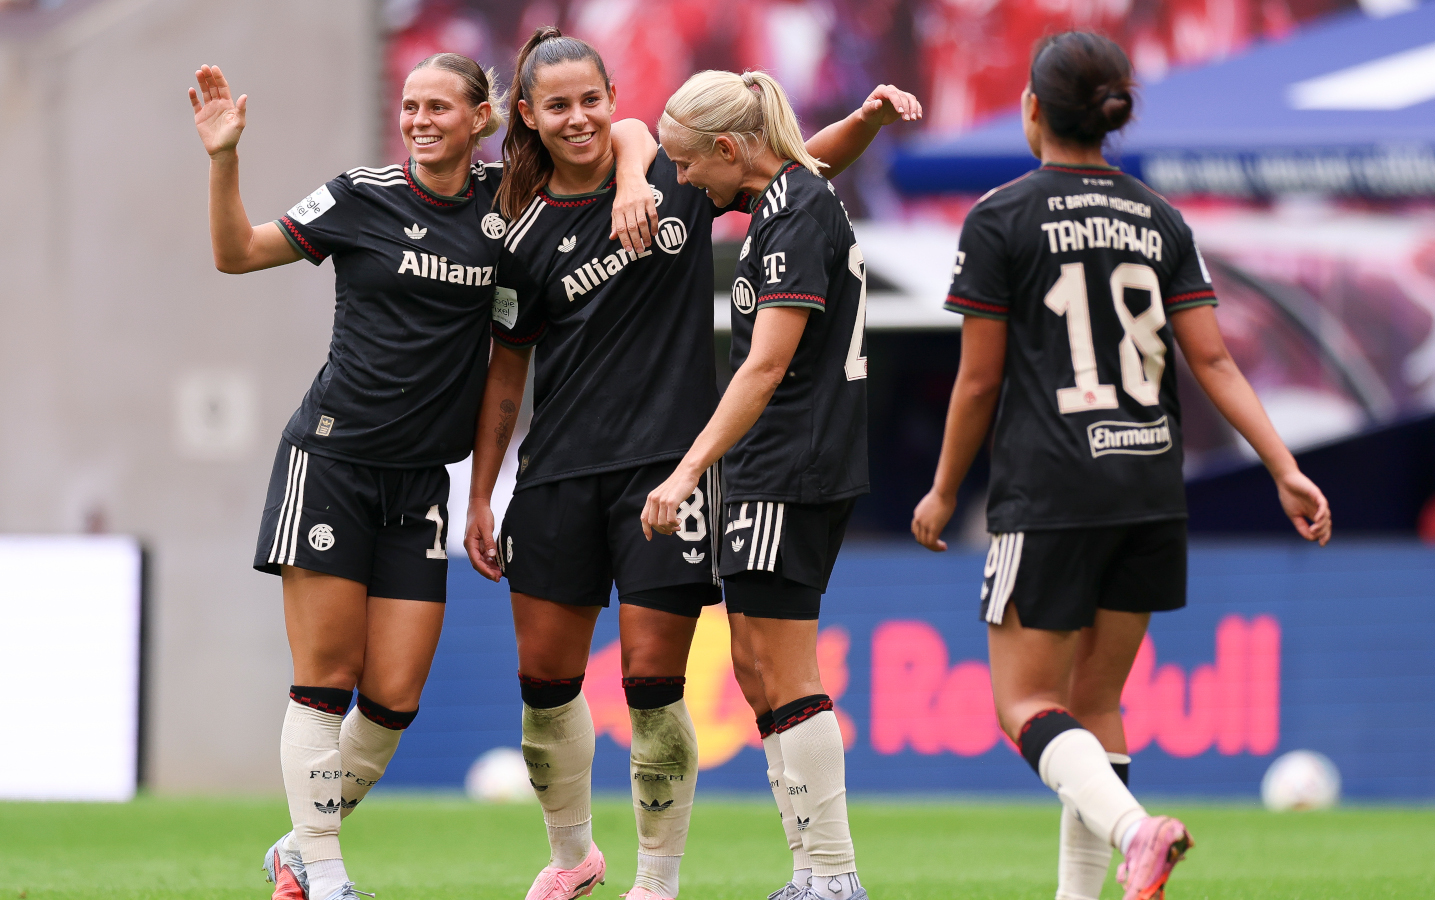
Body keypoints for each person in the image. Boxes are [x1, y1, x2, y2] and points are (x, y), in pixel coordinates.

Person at [462, 29, 920, 900]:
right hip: (559, 473)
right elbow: (505, 376)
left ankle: (665, 882)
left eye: (593, 99)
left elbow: (796, 167)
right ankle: (574, 860)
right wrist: (483, 491)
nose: (580, 118)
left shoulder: (679, 175)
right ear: (528, 116)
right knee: (549, 688)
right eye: (557, 105)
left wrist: (853, 127)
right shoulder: (520, 235)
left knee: (657, 688)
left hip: (675, 473)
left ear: (613, 98)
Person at [189, 53, 655, 900]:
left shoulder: (504, 203)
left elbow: (621, 128)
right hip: (330, 461)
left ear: (482, 117)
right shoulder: (360, 194)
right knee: (324, 680)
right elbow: (235, 254)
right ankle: (324, 872)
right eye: (410, 106)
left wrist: (631, 180)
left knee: (395, 695)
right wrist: (224, 158)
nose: (420, 120)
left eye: (441, 106)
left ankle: (299, 846)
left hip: (420, 488)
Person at [908, 32, 1332, 900]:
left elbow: (979, 378)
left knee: (1024, 707)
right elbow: (1212, 363)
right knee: (1096, 705)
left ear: (1032, 108)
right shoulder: (1159, 218)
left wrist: (946, 488)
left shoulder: (1000, 217)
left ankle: (1141, 831)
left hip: (1051, 490)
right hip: (1148, 486)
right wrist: (1284, 465)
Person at [638, 68, 892, 900]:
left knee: (784, 672)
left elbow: (765, 367)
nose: (681, 180)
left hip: (792, 464)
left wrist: (685, 472)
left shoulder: (793, 218)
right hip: (774, 467)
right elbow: (814, 154)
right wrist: (866, 118)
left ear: (727, 148)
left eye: (685, 162)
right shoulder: (790, 194)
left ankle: (831, 874)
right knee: (754, 665)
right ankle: (814, 871)